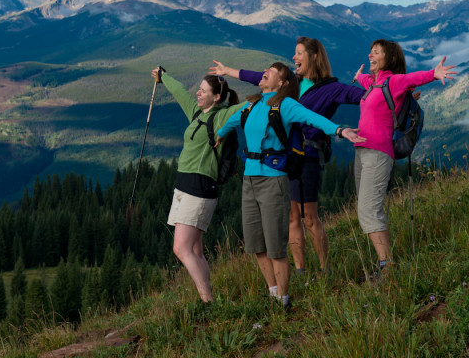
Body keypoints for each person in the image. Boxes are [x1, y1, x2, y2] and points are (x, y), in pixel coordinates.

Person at [210, 36, 364, 276]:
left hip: (310, 155)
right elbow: (259, 78)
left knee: (309, 217)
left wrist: (395, 97)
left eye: (299, 52)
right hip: (286, 158)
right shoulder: (291, 82)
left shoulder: (332, 88)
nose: (294, 57)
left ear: (314, 56)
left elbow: (361, 97)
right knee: (292, 216)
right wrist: (227, 71)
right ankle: (301, 271)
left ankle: (325, 270)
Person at [353, 39, 457, 281]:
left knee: (369, 211)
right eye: (370, 51)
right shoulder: (373, 83)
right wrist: (357, 77)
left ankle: (387, 268)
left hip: (378, 153)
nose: (370, 55)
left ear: (389, 59)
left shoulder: (393, 81)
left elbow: (414, 79)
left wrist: (434, 73)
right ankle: (383, 264)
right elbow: (365, 80)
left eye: (376, 53)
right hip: (362, 151)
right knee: (365, 209)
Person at [150, 66, 243, 302]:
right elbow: (180, 92)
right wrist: (164, 76)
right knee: (196, 251)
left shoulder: (222, 115)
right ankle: (208, 299)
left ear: (217, 96)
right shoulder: (196, 113)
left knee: (181, 249)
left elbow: (249, 106)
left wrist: (274, 87)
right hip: (184, 187)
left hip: (200, 189)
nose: (198, 94)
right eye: (199, 90)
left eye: (203, 91)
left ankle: (207, 301)